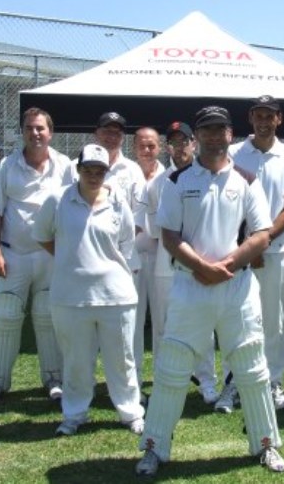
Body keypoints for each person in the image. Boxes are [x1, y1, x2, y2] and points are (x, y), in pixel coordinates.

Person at [135, 106, 284, 476]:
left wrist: (229, 266)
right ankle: (154, 447)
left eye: (220, 130)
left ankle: (266, 445)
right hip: (190, 284)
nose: (214, 137)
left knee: (252, 367)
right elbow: (169, 235)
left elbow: (262, 233)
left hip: (238, 286)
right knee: (172, 368)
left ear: (230, 135)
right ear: (197, 137)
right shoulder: (178, 180)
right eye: (207, 131)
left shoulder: (246, 179)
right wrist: (202, 267)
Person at [32, 144, 145, 436]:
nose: (93, 176)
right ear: (77, 170)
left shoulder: (118, 199)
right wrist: (71, 256)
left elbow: (126, 243)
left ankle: (130, 413)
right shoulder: (58, 199)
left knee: (121, 359)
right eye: (87, 170)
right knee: (76, 360)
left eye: (99, 171)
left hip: (116, 295)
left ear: (107, 172)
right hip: (70, 296)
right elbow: (43, 236)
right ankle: (74, 414)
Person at [223, 95, 284, 412]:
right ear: (251, 118)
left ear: (279, 119)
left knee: (273, 321)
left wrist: (264, 239)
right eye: (258, 115)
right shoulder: (233, 152)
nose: (264, 121)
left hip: (277, 251)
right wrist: (248, 247)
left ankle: (272, 384)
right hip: (238, 252)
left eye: (270, 115)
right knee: (235, 319)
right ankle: (232, 384)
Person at [0, 107, 71, 404]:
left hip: (50, 255)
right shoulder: (9, 166)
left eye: (40, 128)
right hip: (14, 255)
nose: (35, 133)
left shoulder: (65, 166)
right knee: (5, 314)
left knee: (48, 314)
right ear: (23, 131)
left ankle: (54, 379)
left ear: (51, 133)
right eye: (29, 128)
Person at [145, 121, 219, 405]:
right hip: (166, 267)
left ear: (194, 143)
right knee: (164, 326)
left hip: (201, 265)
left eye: (184, 141)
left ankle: (207, 382)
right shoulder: (158, 184)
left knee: (204, 323)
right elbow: (154, 230)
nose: (179, 147)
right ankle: (164, 382)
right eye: (174, 142)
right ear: (168, 147)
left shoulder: (208, 176)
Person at [133, 127, 165, 393]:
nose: (147, 150)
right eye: (142, 145)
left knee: (162, 320)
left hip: (160, 256)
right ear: (134, 148)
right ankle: (132, 378)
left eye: (152, 145)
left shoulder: (169, 177)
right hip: (130, 258)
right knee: (131, 320)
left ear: (160, 148)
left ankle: (162, 375)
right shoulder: (123, 174)